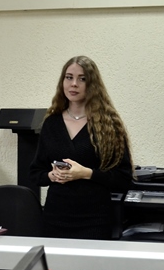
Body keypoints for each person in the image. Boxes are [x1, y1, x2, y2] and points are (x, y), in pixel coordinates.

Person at [30, 56, 133, 239]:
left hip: (94, 220)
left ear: (92, 85)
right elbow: (36, 172)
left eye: (82, 79)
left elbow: (123, 178)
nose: (74, 84)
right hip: (55, 217)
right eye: (69, 77)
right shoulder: (51, 123)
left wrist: (86, 173)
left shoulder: (109, 125)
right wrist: (51, 175)